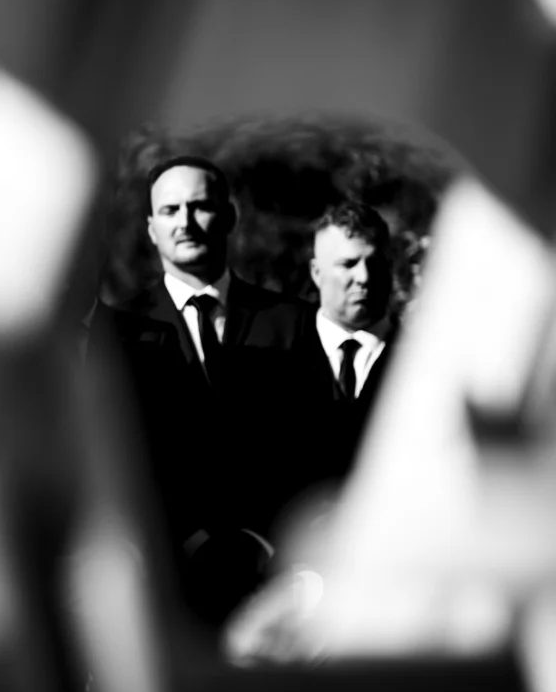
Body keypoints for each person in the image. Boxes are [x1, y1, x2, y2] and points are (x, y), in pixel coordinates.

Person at [94, 155, 316, 630]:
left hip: (274, 576)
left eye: (200, 207)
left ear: (230, 216)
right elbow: (114, 450)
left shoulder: (294, 323)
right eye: (170, 211)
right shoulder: (117, 333)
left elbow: (315, 443)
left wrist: (267, 541)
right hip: (165, 577)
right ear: (151, 228)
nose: (186, 222)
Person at [297, 201, 397, 488]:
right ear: (317, 273)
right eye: (348, 264)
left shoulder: (422, 364)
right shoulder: (277, 361)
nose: (363, 278)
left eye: (374, 263)